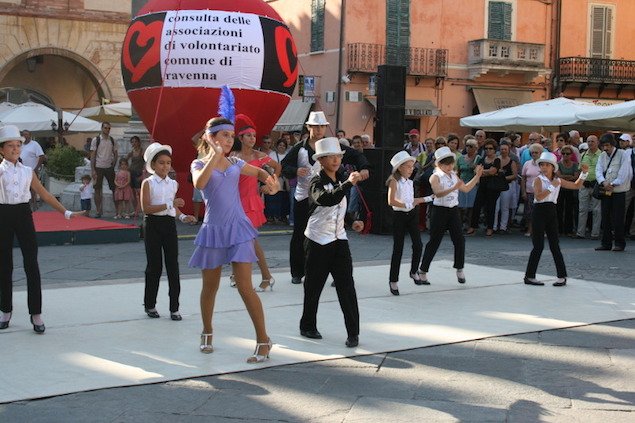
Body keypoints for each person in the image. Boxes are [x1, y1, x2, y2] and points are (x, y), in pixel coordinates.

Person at [189, 115, 279, 363]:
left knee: (245, 287)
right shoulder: (198, 165)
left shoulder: (236, 163)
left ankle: (263, 340)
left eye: (231, 136)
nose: (230, 140)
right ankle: (207, 332)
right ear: (211, 138)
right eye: (224, 136)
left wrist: (271, 183)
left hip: (238, 229)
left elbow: (261, 172)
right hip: (213, 231)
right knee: (210, 287)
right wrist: (215, 156)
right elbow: (200, 183)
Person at [0, 125, 83, 333]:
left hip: (23, 214)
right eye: (10, 146)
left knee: (31, 263)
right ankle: (5, 310)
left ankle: (36, 314)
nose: (15, 149)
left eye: (18, 145)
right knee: (4, 265)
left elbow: (45, 194)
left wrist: (65, 212)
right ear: (1, 149)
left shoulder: (28, 172)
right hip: (2, 214)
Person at [281, 111, 370, 285]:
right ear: (309, 127)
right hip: (304, 198)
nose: (319, 129)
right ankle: (298, 272)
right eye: (316, 126)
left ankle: (337, 273)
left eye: (322, 126)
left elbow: (356, 155)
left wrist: (364, 167)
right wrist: (295, 171)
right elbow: (285, 165)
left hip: (329, 196)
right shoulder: (300, 147)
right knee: (300, 235)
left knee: (335, 233)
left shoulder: (332, 145)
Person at [299, 137, 364, 348]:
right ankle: (307, 325)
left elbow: (339, 207)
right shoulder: (315, 181)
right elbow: (326, 200)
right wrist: (347, 184)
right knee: (313, 286)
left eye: (338, 156)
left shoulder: (341, 178)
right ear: (321, 159)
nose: (336, 160)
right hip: (317, 240)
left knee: (347, 286)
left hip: (339, 239)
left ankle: (353, 333)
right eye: (330, 157)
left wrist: (352, 221)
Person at [141, 143, 195, 320]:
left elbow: (174, 209)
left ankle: (174, 308)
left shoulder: (173, 184)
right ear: (154, 165)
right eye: (161, 163)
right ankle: (150, 304)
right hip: (153, 225)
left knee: (173, 265)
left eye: (168, 163)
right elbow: (147, 208)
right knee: (154, 266)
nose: (165, 166)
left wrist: (182, 217)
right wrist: (171, 205)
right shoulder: (147, 183)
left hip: (169, 224)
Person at [417, 147, 483, 285]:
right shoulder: (435, 176)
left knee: (459, 240)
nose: (449, 166)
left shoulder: (453, 174)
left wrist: (477, 176)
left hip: (453, 210)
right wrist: (453, 188)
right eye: (445, 164)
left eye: (451, 163)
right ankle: (423, 270)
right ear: (438, 164)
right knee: (434, 241)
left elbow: (465, 188)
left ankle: (459, 268)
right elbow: (438, 192)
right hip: (439, 210)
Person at [231, 114, 281, 291]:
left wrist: (269, 184)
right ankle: (237, 273)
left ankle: (266, 275)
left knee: (251, 240)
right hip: (235, 201)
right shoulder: (233, 155)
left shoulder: (259, 155)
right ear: (240, 138)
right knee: (237, 239)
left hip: (251, 202)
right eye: (249, 136)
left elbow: (277, 167)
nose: (252, 139)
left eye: (254, 136)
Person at [524, 152, 588, 287]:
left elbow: (576, 185)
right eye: (542, 165)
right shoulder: (538, 180)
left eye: (547, 165)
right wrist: (552, 185)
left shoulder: (557, 180)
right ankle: (529, 276)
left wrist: (584, 173)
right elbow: (539, 196)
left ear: (553, 167)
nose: (544, 167)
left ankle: (562, 276)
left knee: (555, 245)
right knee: (538, 246)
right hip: (539, 211)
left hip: (551, 211)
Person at [386, 151, 433, 296]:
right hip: (399, 215)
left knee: (418, 244)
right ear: (400, 167)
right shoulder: (394, 181)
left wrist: (428, 198)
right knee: (398, 248)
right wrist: (407, 204)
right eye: (408, 166)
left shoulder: (410, 182)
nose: (411, 169)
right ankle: (393, 280)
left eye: (412, 166)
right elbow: (391, 200)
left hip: (411, 215)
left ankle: (413, 271)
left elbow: (414, 200)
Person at [594, 133, 631, 252]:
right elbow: (598, 170)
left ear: (612, 144)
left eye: (608, 145)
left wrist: (613, 184)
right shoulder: (602, 156)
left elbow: (624, 172)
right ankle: (606, 243)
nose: (606, 148)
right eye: (604, 145)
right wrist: (603, 182)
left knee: (618, 217)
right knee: (605, 217)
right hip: (606, 190)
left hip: (618, 191)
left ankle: (620, 243)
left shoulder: (622, 154)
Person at [467, 139, 501, 237]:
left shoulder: (497, 160)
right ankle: (473, 227)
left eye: (490, 148)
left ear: (494, 149)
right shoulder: (482, 159)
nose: (488, 150)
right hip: (482, 186)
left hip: (492, 187)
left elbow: (493, 171)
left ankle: (490, 228)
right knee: (476, 206)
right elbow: (476, 171)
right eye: (486, 148)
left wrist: (482, 172)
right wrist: (485, 172)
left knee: (490, 208)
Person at [576, 135, 601, 239]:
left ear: (597, 142)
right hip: (584, 185)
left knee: (597, 210)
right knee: (582, 209)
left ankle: (595, 233)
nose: (590, 143)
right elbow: (580, 170)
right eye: (589, 141)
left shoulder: (602, 155)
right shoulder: (583, 155)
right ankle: (580, 233)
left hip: (596, 184)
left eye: (592, 141)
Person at [90, 122, 117, 218]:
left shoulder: (112, 140)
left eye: (109, 128)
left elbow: (115, 152)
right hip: (98, 166)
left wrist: (113, 163)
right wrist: (93, 169)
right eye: (105, 128)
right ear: (102, 128)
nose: (107, 130)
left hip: (109, 167)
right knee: (97, 189)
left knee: (114, 188)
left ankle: (117, 211)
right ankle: (98, 210)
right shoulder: (96, 140)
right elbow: (92, 155)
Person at [493, 141, 518, 234]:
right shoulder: (496, 160)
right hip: (496, 186)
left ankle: (503, 227)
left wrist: (503, 178)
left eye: (505, 149)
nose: (503, 151)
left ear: (508, 150)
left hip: (507, 186)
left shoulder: (512, 162)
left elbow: (514, 175)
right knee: (495, 207)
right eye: (502, 149)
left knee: (505, 207)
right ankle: (494, 226)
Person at [521, 143, 544, 236]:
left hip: (541, 193)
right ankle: (530, 230)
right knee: (529, 212)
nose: (534, 154)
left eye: (536, 152)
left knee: (542, 213)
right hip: (529, 191)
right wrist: (523, 192)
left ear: (540, 153)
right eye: (532, 152)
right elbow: (523, 178)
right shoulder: (527, 164)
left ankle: (542, 231)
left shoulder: (544, 164)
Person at [556, 146, 579, 236]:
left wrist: (564, 176)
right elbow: (559, 176)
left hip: (571, 189)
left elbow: (576, 177)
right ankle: (559, 229)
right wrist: (570, 177)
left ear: (571, 155)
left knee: (569, 210)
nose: (565, 155)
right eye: (563, 153)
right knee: (559, 209)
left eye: (568, 153)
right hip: (560, 189)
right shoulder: (558, 164)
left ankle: (568, 230)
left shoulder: (575, 164)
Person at [457, 138, 481, 227]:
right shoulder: (460, 158)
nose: (468, 148)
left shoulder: (478, 158)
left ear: (475, 148)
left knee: (471, 206)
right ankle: (459, 225)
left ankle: (470, 226)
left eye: (471, 146)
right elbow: (459, 171)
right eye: (467, 145)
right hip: (462, 182)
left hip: (473, 184)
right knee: (460, 205)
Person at [19, 129, 45, 210]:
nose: (25, 136)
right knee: (23, 187)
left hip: (32, 170)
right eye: (23, 135)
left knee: (33, 187)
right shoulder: (20, 145)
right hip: (21, 170)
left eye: (27, 134)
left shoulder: (35, 144)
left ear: (30, 135)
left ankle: (34, 205)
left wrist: (36, 168)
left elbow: (41, 156)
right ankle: (25, 204)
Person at [265, 139, 289, 223]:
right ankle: (270, 216)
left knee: (281, 198)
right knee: (271, 197)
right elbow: (267, 165)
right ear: (277, 146)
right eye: (280, 145)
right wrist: (273, 174)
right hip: (273, 177)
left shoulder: (287, 155)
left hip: (283, 180)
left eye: (283, 146)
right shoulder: (272, 154)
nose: (281, 147)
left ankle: (279, 216)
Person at [126, 136, 145, 216]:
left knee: (140, 192)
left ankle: (143, 209)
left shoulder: (142, 152)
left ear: (138, 142)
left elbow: (145, 163)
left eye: (135, 141)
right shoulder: (131, 152)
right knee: (133, 192)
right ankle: (135, 210)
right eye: (132, 142)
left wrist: (143, 174)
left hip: (138, 173)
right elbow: (125, 160)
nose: (134, 143)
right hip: (131, 172)